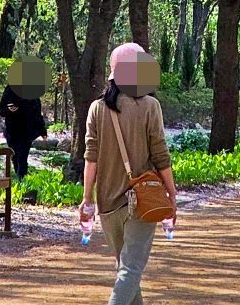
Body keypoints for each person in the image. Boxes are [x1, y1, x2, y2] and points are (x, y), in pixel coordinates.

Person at [81, 43, 177, 305]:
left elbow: (91, 158)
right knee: (130, 269)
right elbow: (160, 155)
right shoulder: (149, 106)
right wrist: (171, 193)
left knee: (126, 269)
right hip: (142, 201)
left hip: (107, 203)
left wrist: (86, 198)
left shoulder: (96, 109)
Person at [0, 79, 47, 179]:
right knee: (14, 156)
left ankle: (22, 179)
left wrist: (42, 130)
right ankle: (19, 180)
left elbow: (37, 112)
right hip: (12, 130)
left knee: (22, 157)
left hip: (27, 131)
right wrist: (9, 110)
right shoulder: (10, 89)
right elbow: (1, 110)